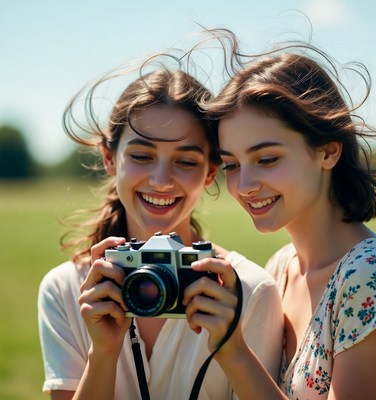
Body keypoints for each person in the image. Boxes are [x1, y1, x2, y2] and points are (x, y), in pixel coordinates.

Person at [37, 52, 283, 400]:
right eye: (141, 156)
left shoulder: (249, 290)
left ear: (210, 172)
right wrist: (103, 354)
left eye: (185, 161)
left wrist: (233, 351)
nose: (162, 180)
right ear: (109, 158)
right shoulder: (67, 290)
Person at [183, 30, 376, 399]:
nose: (245, 185)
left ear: (328, 152)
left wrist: (234, 352)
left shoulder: (369, 274)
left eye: (266, 159)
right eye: (232, 164)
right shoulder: (280, 267)